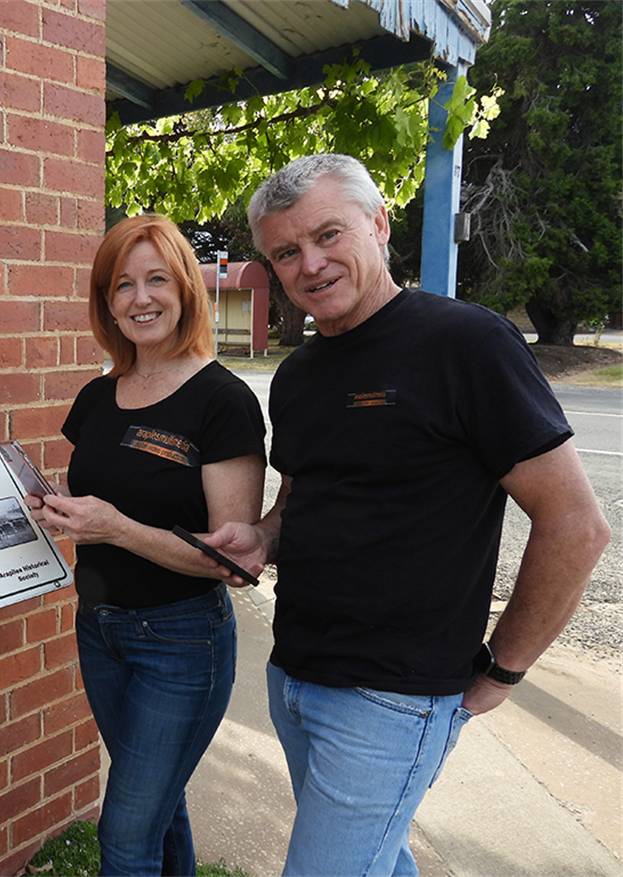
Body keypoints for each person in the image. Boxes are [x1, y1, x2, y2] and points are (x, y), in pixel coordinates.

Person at [200, 154, 611, 876]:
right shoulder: (297, 375)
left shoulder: (467, 343)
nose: (311, 263)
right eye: (286, 251)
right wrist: (261, 534)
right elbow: (301, 501)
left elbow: (577, 525)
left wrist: (502, 670)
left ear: (380, 224)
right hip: (295, 673)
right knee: (380, 863)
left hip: (393, 697)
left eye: (329, 234)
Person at [27, 213, 267, 877]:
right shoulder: (98, 396)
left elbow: (234, 562)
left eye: (156, 279)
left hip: (181, 642)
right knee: (160, 802)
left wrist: (114, 527)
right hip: (99, 629)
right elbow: (108, 492)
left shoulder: (222, 401)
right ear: (106, 301)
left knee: (127, 835)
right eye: (122, 285)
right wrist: (64, 507)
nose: (140, 298)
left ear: (186, 287)